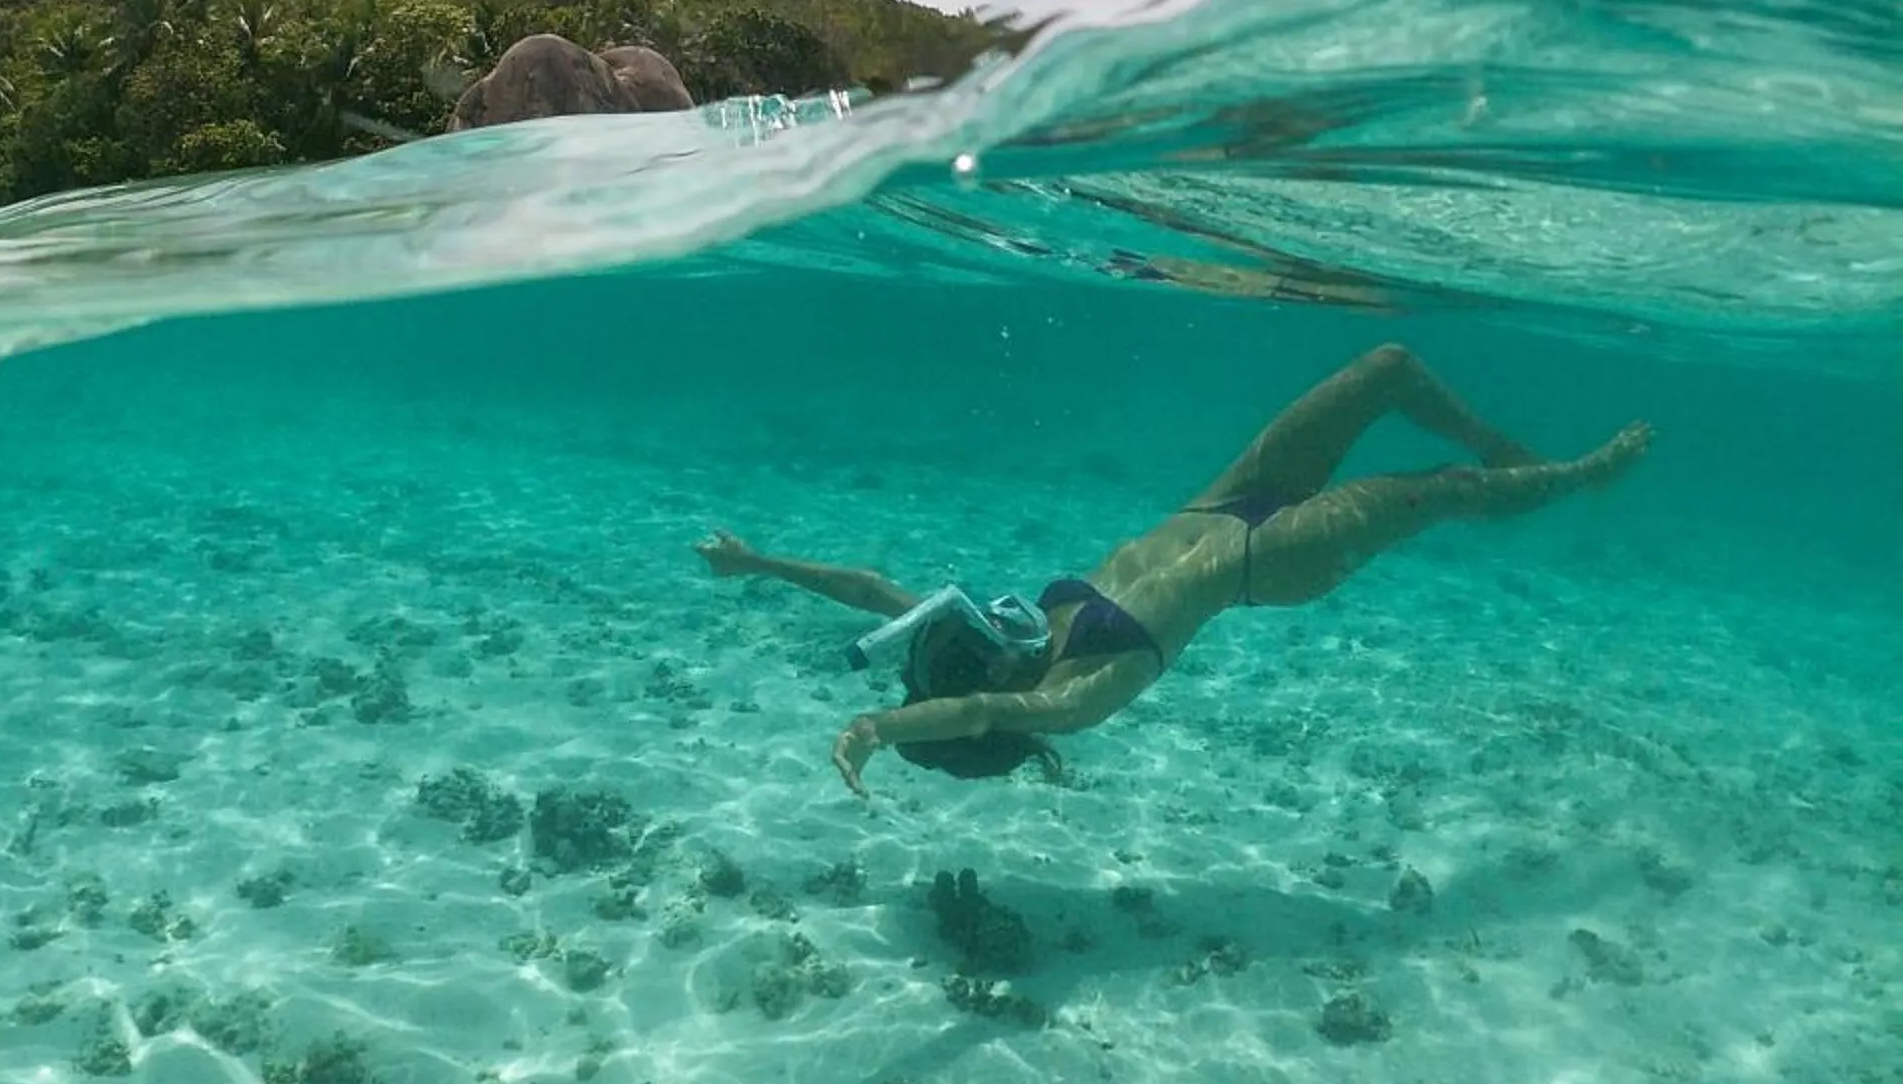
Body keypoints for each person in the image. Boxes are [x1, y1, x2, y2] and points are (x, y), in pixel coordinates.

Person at [696, 343, 1651, 797]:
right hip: (1271, 561)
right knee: (1441, 489)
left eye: (962, 659)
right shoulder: (1069, 697)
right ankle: (1575, 481)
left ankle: (1506, 448)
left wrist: (758, 565)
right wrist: (875, 725)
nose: (976, 656)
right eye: (971, 670)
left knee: (1390, 368)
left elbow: (873, 589)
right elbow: (984, 712)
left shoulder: (1011, 642)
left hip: (1218, 501)